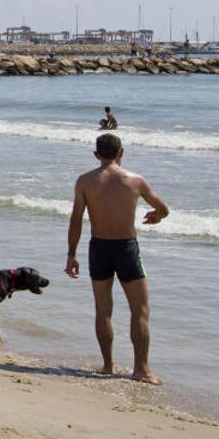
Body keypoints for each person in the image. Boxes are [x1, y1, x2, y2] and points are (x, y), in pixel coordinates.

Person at [65, 133, 170, 385]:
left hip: (98, 248)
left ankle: (108, 365)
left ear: (96, 155)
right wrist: (158, 216)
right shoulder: (135, 180)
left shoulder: (85, 181)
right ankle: (141, 370)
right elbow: (163, 208)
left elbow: (76, 219)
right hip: (126, 249)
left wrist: (71, 255)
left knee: (103, 310)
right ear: (121, 152)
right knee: (140, 310)